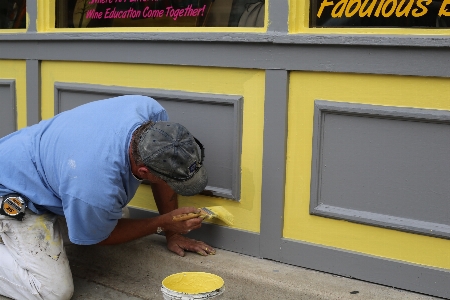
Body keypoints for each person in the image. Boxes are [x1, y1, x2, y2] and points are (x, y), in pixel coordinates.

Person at [0, 95, 215, 300]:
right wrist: (162, 224)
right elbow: (101, 237)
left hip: (39, 169)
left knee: (114, 215)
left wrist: (172, 232)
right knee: (53, 292)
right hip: (11, 192)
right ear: (144, 172)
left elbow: (165, 173)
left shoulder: (150, 114)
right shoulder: (93, 186)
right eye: (172, 182)